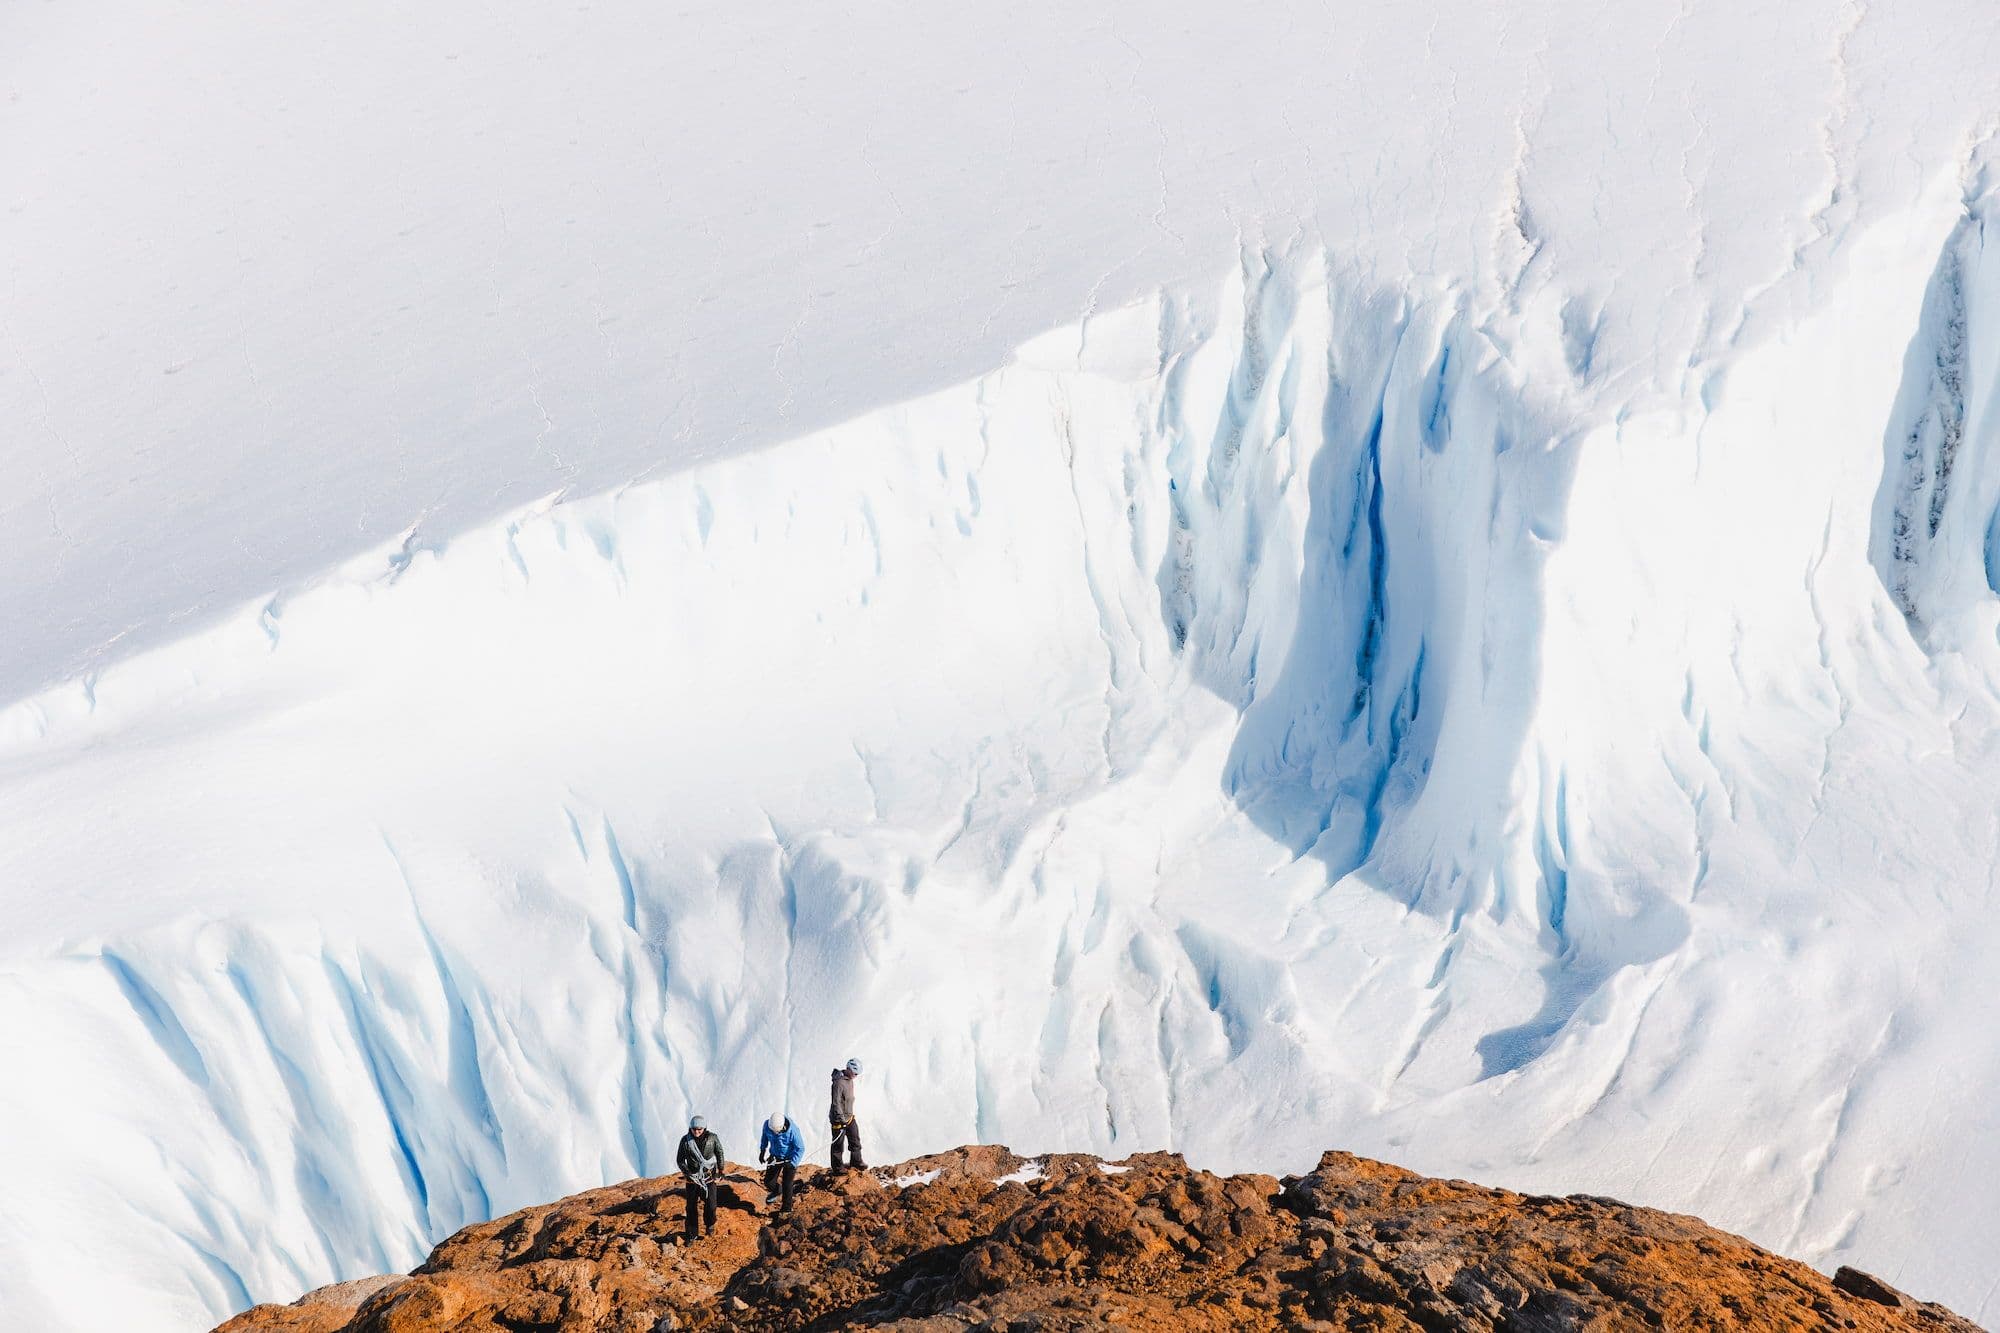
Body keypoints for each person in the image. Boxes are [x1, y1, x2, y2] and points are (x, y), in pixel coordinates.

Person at [675, 1115, 725, 1242]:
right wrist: (687, 1173)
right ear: (690, 1128)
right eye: (694, 1129)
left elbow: (719, 1153)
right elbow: (680, 1160)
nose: (696, 1132)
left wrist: (721, 1170)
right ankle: (692, 1234)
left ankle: (710, 1224)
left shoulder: (712, 1138)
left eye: (699, 1129)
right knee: (691, 1207)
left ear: (704, 1128)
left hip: (708, 1177)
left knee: (711, 1204)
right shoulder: (685, 1141)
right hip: (693, 1179)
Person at [758, 1112, 805, 1212]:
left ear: (782, 1126)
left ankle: (786, 1209)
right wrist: (762, 1151)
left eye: (776, 1131)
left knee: (787, 1184)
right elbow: (764, 1137)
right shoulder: (768, 1125)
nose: (775, 1133)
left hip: (790, 1159)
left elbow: (800, 1148)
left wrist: (792, 1163)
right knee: (768, 1182)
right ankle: (777, 1190)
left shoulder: (793, 1131)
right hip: (775, 1156)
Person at [828, 1057, 866, 1171]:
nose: (856, 1076)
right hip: (838, 1119)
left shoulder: (850, 1080)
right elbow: (836, 1103)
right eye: (855, 1073)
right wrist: (841, 1119)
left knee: (855, 1139)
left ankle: (856, 1162)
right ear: (849, 1069)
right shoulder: (839, 1083)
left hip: (849, 1117)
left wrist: (849, 1115)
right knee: (838, 1145)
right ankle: (837, 1168)